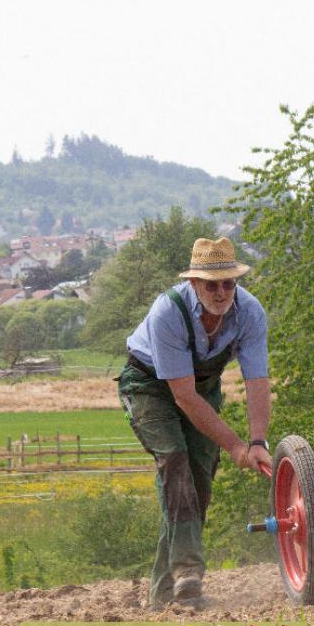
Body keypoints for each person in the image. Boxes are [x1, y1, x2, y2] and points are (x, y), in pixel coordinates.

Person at [117, 236, 273, 606]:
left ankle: (166, 595)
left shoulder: (250, 313)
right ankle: (188, 568)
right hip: (148, 386)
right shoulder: (167, 312)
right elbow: (182, 395)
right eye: (211, 284)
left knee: (198, 480)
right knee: (174, 459)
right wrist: (235, 445)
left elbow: (257, 381)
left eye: (228, 283)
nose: (221, 292)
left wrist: (257, 441)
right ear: (193, 283)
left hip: (201, 389)